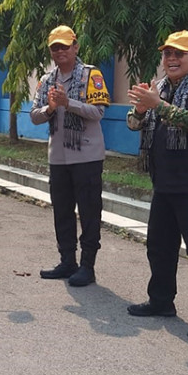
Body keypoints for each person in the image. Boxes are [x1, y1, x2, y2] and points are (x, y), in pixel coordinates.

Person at [126, 30, 188, 342]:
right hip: (164, 183)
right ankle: (161, 301)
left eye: (179, 54)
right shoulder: (157, 88)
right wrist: (141, 108)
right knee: (159, 247)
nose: (172, 59)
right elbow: (133, 124)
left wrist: (157, 105)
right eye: (167, 54)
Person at [30, 25, 110, 287]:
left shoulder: (91, 75)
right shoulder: (46, 80)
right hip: (59, 158)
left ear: (76, 47)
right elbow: (34, 116)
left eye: (65, 46)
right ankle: (67, 261)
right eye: (55, 47)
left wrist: (68, 104)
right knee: (62, 211)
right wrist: (51, 108)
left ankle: (88, 266)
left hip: (87, 156)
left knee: (89, 212)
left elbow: (98, 112)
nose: (60, 51)